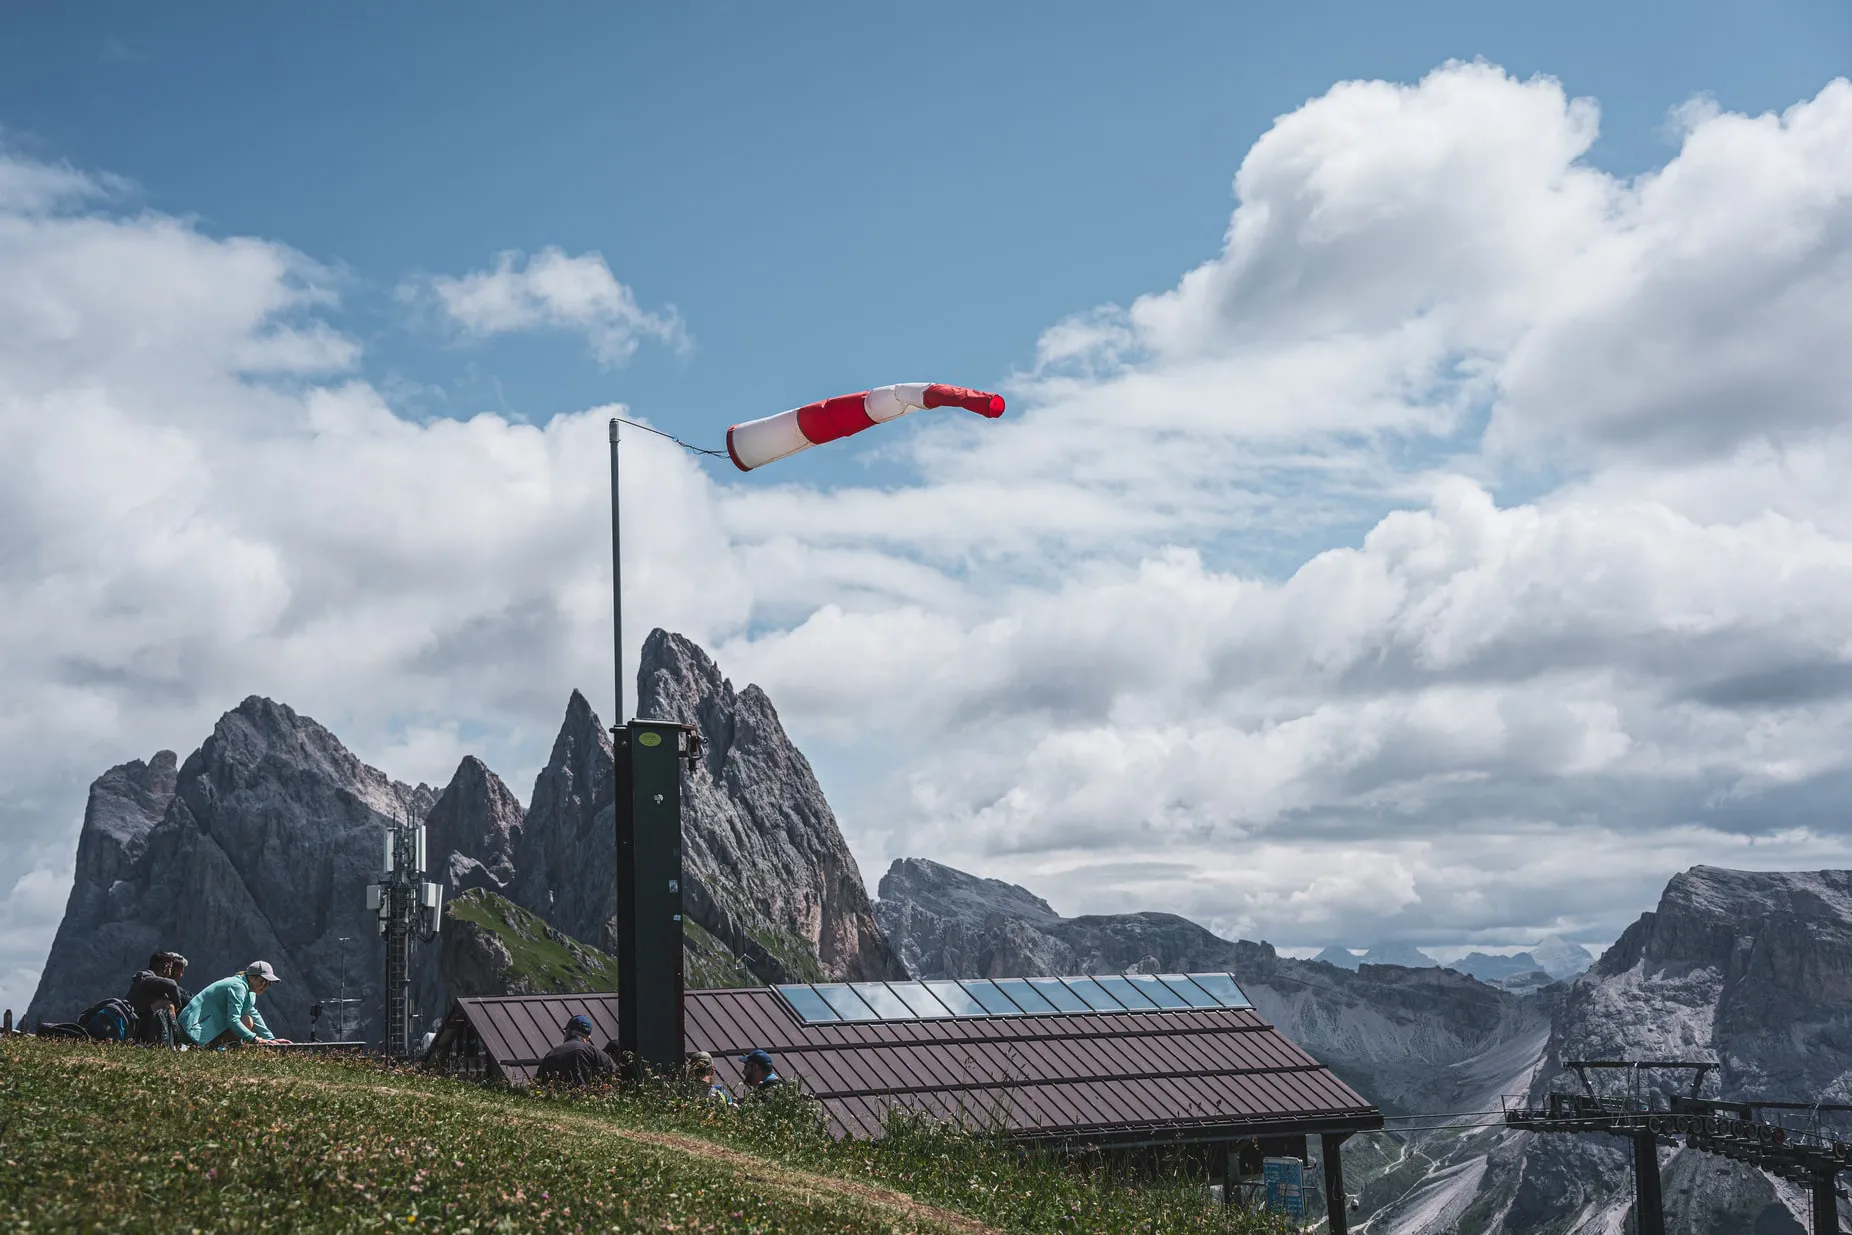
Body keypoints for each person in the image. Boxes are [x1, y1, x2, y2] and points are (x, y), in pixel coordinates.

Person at [179, 961, 291, 1048]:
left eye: (268, 983)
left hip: (199, 1028)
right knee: (247, 1021)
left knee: (248, 1019)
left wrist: (271, 1039)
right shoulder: (238, 987)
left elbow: (254, 1014)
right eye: (262, 981)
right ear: (252, 977)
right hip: (192, 1030)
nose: (265, 986)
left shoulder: (250, 992)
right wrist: (255, 1039)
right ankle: (210, 1048)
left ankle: (217, 1047)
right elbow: (233, 1020)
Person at [125, 952, 189, 1047]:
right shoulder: (146, 976)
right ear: (166, 967)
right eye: (170, 968)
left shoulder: (152, 980)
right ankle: (172, 1043)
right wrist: (177, 1005)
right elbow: (172, 984)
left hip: (137, 1022)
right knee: (168, 1004)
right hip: (133, 1022)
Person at [534, 1014, 615, 1086]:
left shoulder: (551, 1054)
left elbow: (538, 1083)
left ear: (568, 1031)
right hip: (588, 1101)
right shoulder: (596, 1053)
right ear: (588, 1037)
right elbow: (615, 1075)